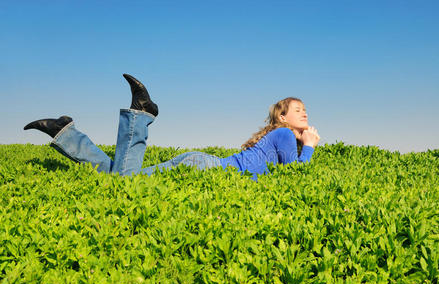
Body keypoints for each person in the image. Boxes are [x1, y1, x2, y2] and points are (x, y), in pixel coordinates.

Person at [24, 74, 320, 181]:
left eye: (305, 110)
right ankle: (141, 113)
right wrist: (308, 146)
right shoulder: (283, 135)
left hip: (203, 164)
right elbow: (295, 177)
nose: (304, 113)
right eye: (298, 110)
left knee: (122, 177)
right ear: (282, 118)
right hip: (207, 168)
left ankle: (66, 133)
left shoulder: (280, 138)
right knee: (129, 182)